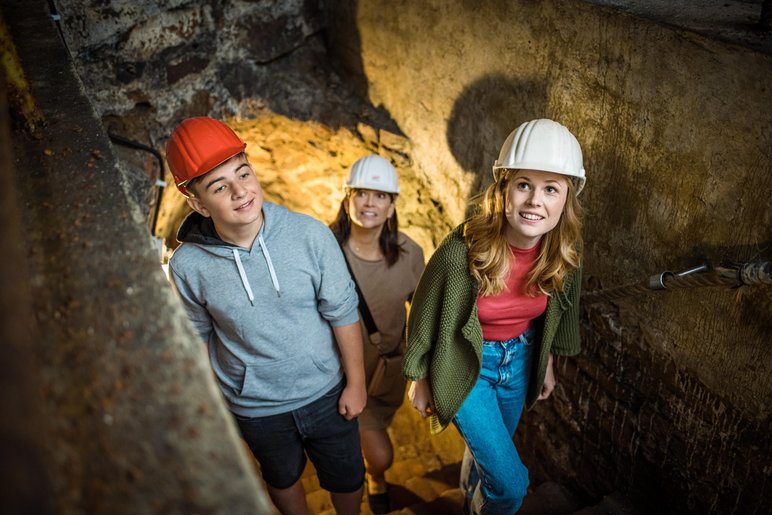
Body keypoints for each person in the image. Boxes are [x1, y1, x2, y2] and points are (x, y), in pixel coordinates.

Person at [165, 117, 367, 515]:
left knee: (347, 476)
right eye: (220, 187)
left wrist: (356, 384)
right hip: (254, 407)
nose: (241, 191)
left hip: (325, 390)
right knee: (281, 478)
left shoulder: (310, 235)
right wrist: (216, 412)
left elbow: (343, 313)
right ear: (198, 203)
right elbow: (198, 337)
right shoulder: (187, 266)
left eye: (243, 173)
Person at [403, 119, 586, 514]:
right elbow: (424, 311)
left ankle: (471, 502)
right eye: (524, 185)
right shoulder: (463, 250)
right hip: (465, 362)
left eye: (550, 189)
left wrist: (547, 361)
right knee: (510, 485)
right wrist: (419, 377)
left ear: (565, 200)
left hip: (519, 360)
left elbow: (558, 314)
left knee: (488, 452)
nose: (535, 200)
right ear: (503, 190)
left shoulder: (565, 254)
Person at [329, 155, 425, 514]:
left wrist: (423, 368)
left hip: (389, 372)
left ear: (392, 205)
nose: (370, 203)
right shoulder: (326, 249)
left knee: (379, 427)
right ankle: (376, 477)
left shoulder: (409, 253)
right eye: (362, 193)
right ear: (347, 198)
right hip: (344, 374)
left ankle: (372, 471)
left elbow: (424, 310)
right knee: (382, 455)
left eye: (380, 196)